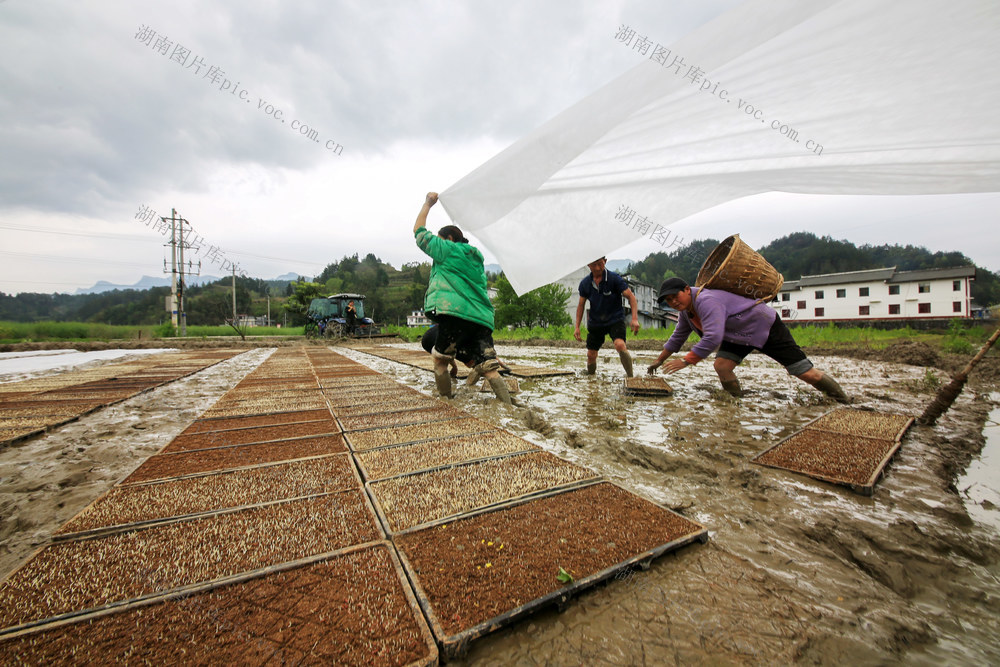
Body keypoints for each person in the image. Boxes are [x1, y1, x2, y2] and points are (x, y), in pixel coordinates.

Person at [647, 277, 850, 402]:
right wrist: (660, 359)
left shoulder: (707, 301)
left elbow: (713, 336)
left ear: (686, 290)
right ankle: (735, 402)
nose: (673, 302)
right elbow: (678, 337)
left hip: (763, 325)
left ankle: (844, 401)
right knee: (722, 366)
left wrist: (686, 360)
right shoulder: (686, 311)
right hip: (736, 335)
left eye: (676, 297)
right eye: (669, 301)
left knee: (805, 373)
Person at [413, 192, 512, 404]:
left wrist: (428, 204)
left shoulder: (448, 249)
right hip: (482, 320)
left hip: (455, 316)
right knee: (489, 368)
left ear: (449, 239)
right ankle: (510, 409)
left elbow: (419, 233)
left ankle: (447, 404)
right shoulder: (475, 259)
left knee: (439, 361)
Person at [573, 256, 640, 376]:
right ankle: (591, 377)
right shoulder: (585, 284)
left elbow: (631, 297)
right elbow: (581, 305)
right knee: (591, 354)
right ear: (588, 265)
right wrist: (577, 327)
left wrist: (634, 319)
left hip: (615, 319)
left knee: (620, 345)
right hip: (596, 322)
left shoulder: (614, 279)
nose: (598, 268)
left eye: (600, 264)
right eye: (594, 265)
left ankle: (630, 377)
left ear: (605, 262)